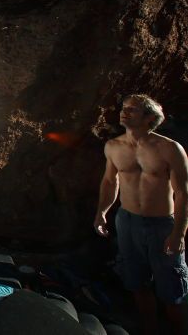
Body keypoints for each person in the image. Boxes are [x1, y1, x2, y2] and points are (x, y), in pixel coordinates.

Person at [94, 94, 188, 334]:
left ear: (149, 118)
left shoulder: (169, 148)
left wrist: (178, 232)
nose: (124, 112)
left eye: (133, 109)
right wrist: (101, 212)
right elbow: (109, 182)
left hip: (162, 225)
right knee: (136, 282)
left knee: (172, 289)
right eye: (124, 108)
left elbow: (182, 193)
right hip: (127, 222)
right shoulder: (113, 146)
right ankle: (150, 329)